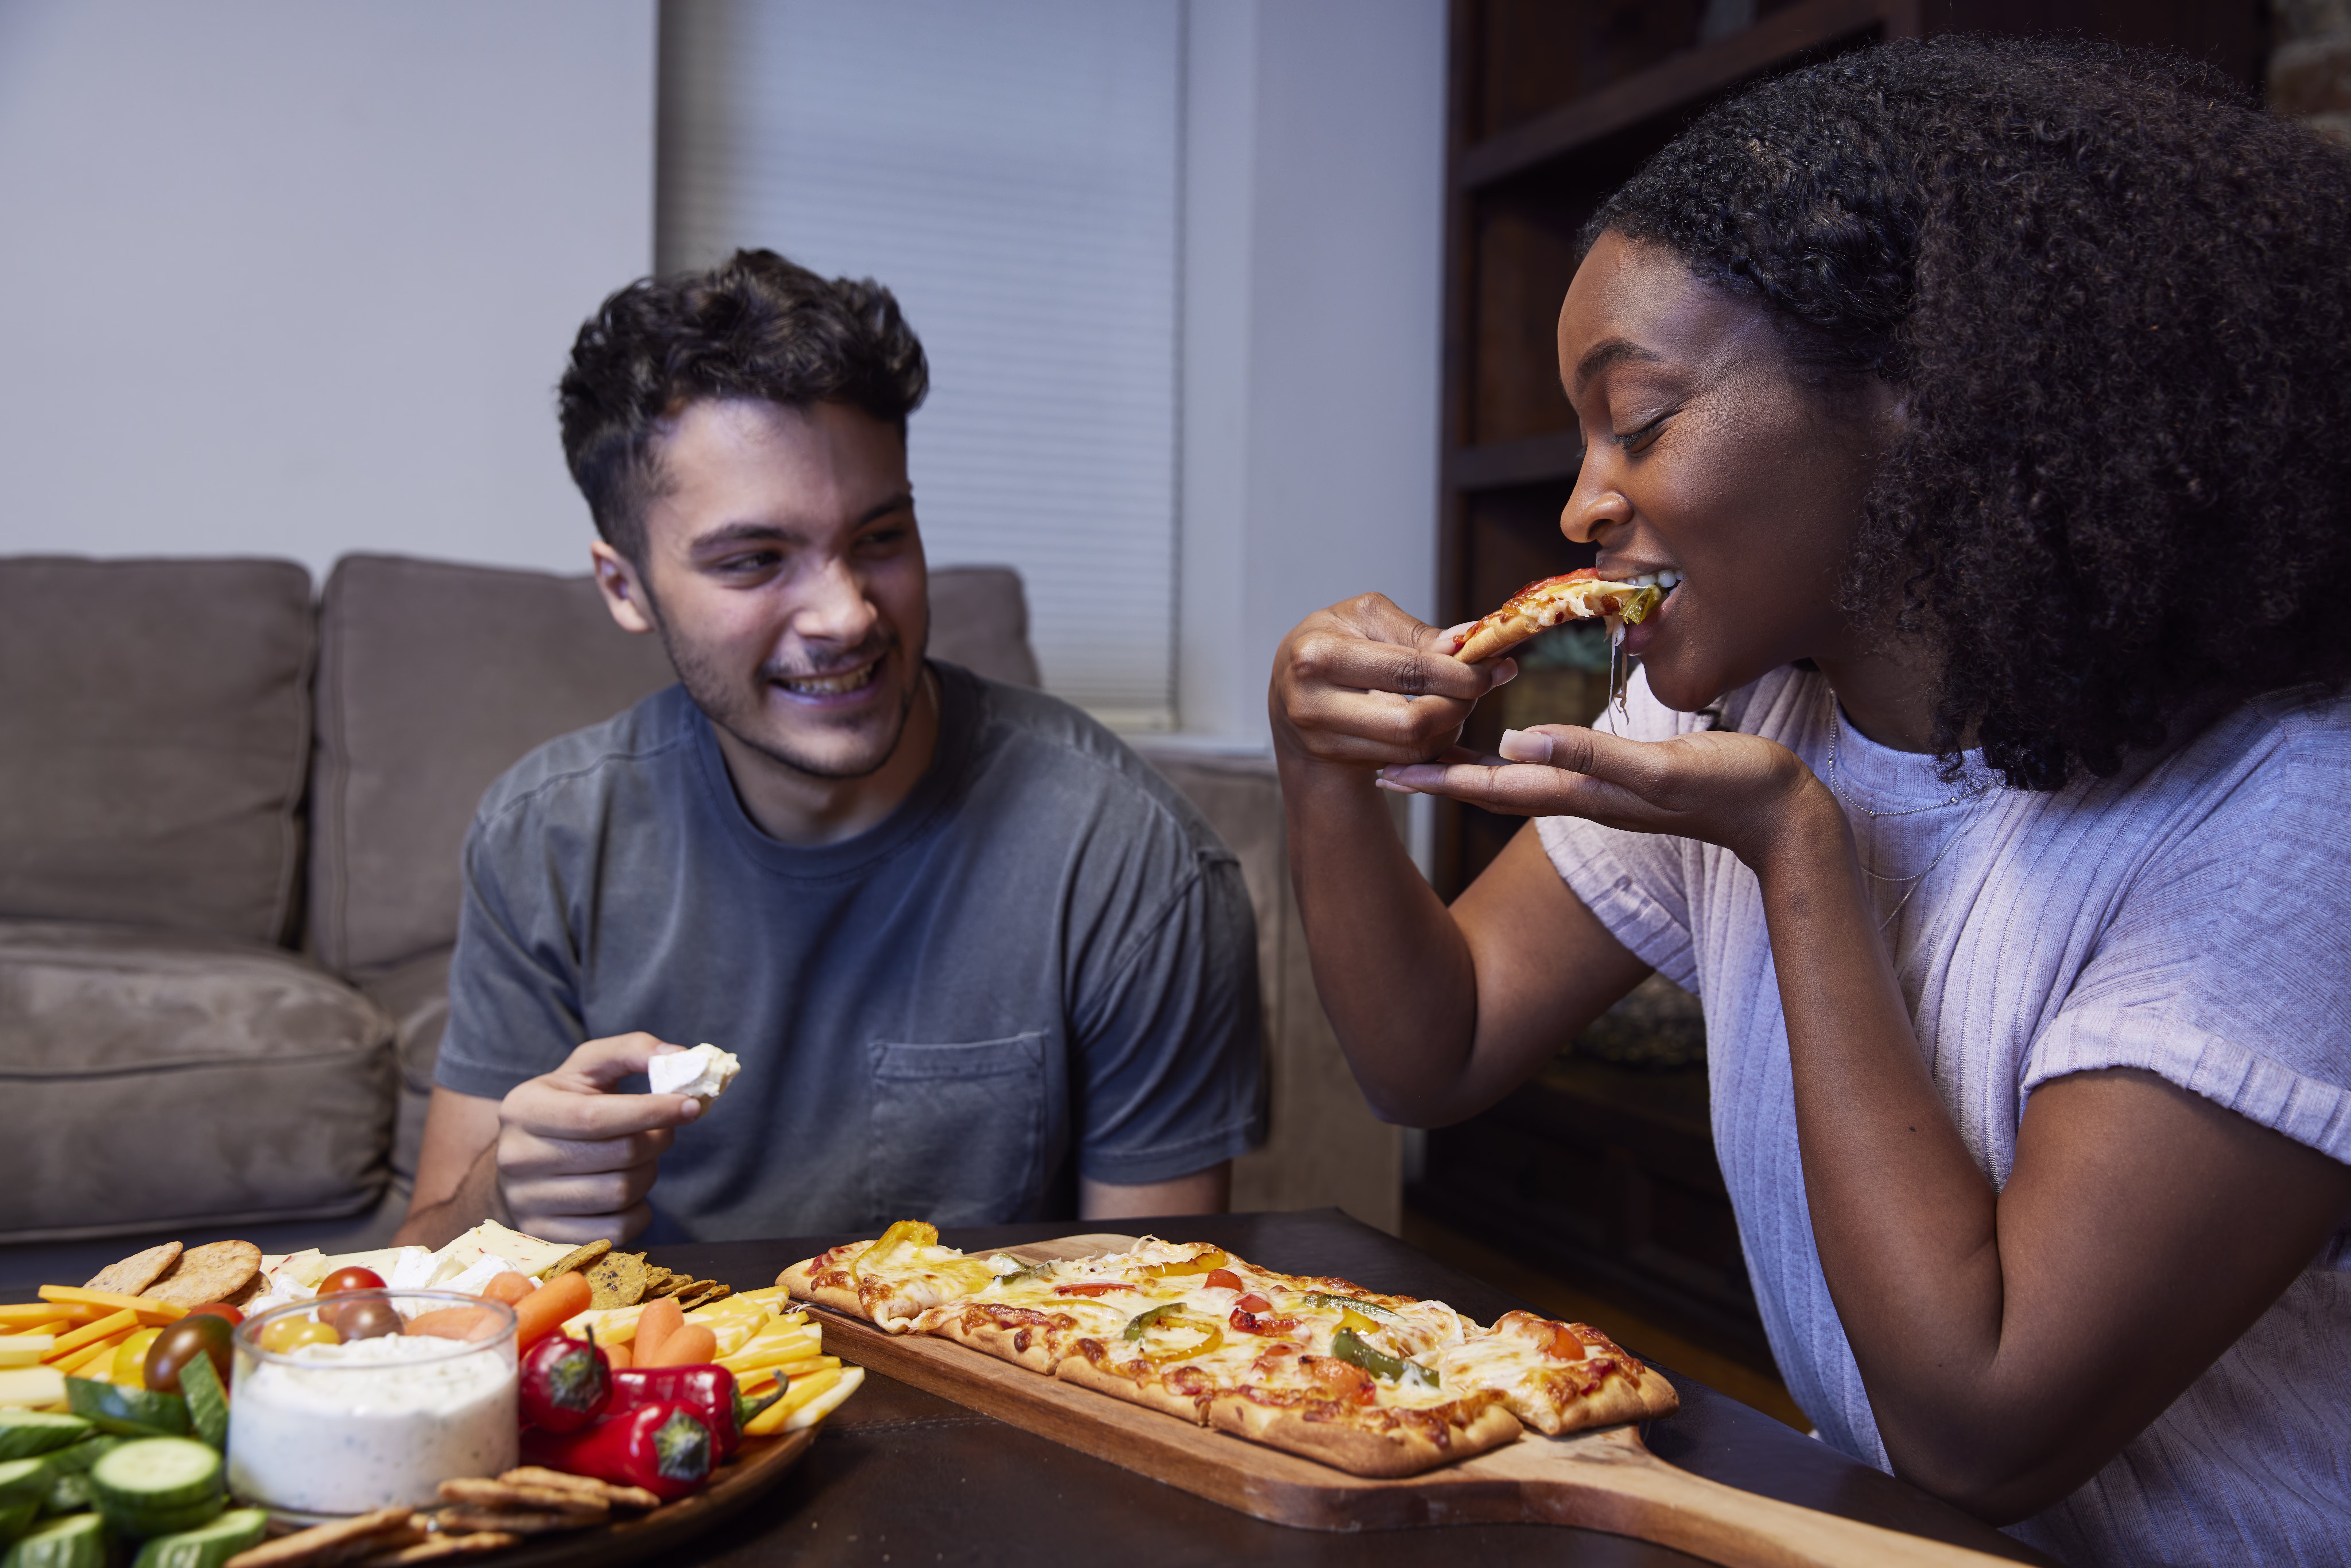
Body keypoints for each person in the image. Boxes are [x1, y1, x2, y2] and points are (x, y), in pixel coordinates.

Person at [1270, 39, 2351, 1567]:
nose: (1585, 505)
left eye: (1637, 420)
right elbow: (1429, 1047)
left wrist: (1796, 850)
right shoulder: (1733, 690)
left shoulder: (2296, 810)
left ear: (1915, 389)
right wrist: (1327, 779)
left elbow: (1980, 1421)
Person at [397, 249, 1263, 1251]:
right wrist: (506, 1197)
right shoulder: (543, 837)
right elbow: (423, 1277)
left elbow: (1162, 1321)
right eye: (756, 560)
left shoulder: (1130, 860)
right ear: (623, 586)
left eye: (881, 538)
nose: (847, 616)